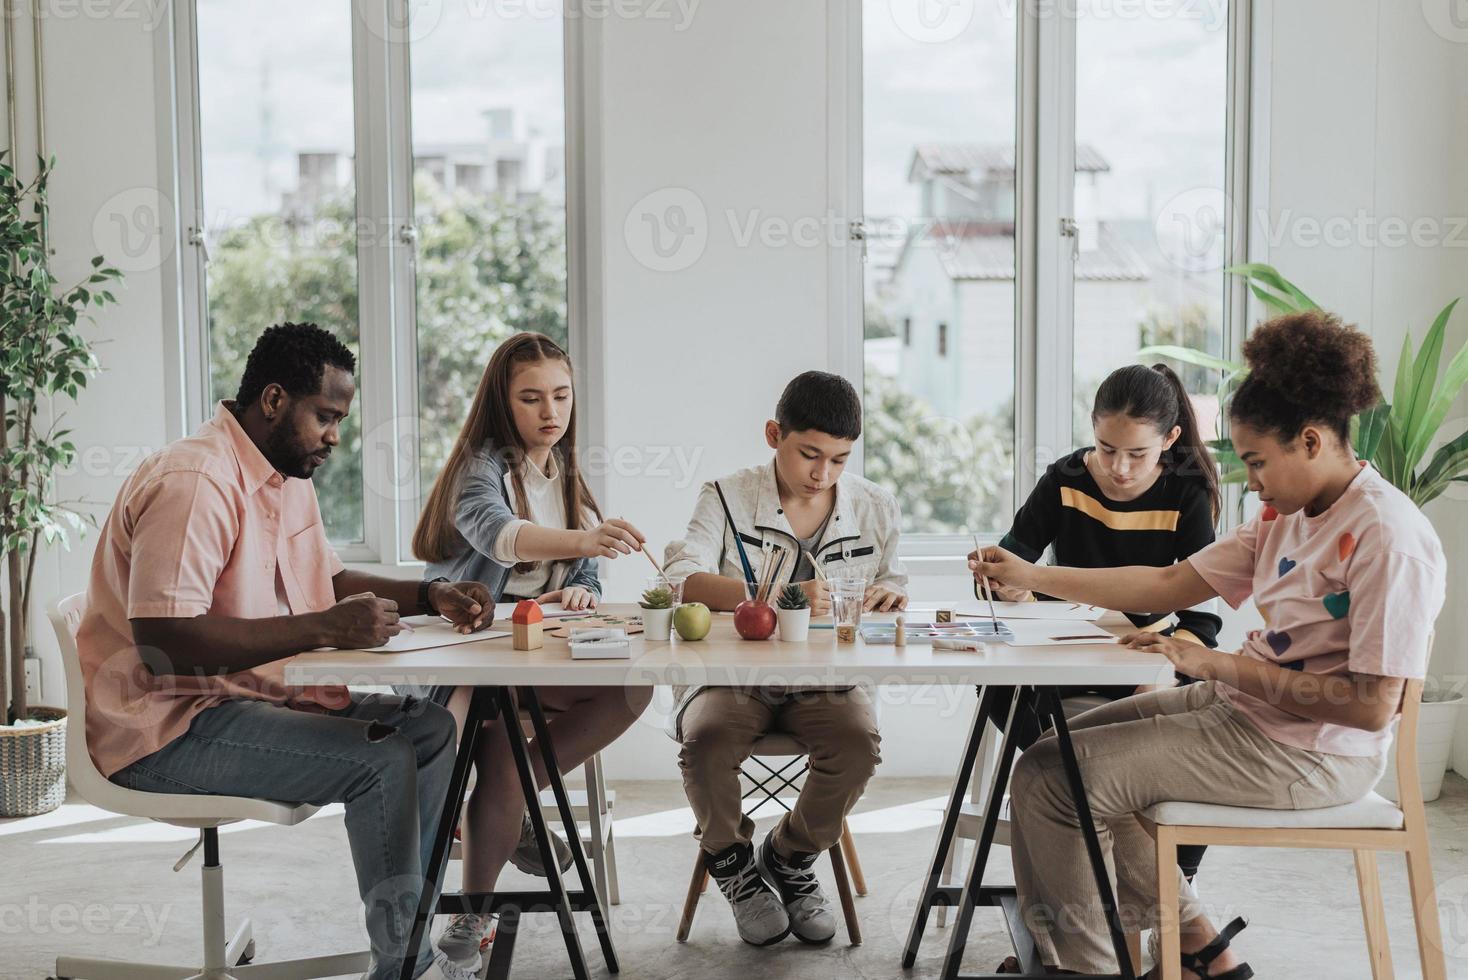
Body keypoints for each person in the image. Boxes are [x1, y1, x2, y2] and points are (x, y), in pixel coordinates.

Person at [971, 311, 1446, 978]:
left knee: (1054, 784)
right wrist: (1033, 572)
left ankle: (1086, 968)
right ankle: (1202, 948)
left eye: (1256, 461)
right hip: (1247, 718)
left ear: (1311, 441)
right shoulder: (1288, 515)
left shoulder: (1387, 536)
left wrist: (1213, 664)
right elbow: (1170, 581)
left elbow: (1371, 707)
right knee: (1055, 760)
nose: (1251, 482)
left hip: (1312, 755)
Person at [83, 322, 494, 980]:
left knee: (429, 727)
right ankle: (407, 967)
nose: (335, 436)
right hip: (163, 728)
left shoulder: (283, 471)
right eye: (325, 416)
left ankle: (404, 946)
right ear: (273, 401)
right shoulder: (197, 483)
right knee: (380, 757)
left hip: (238, 698)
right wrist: (325, 628)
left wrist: (431, 593)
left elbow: (325, 581)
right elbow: (165, 646)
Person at [407, 332, 653, 974]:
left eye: (562, 396)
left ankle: (508, 801)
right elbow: (499, 535)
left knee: (634, 687)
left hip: (534, 655)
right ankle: (465, 908)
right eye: (532, 398)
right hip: (474, 654)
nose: (551, 411)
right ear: (503, 403)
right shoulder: (481, 469)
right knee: (450, 747)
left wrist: (580, 583)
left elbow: (586, 576)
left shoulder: (566, 473)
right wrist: (583, 542)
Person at [662, 370, 905, 947]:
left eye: (840, 460)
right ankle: (733, 866)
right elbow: (680, 580)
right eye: (810, 455)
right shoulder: (724, 495)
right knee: (709, 741)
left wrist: (890, 597)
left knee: (856, 744)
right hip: (730, 679)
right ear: (775, 434)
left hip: (829, 682)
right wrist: (773, 597)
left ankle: (790, 856)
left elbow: (892, 585)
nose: (823, 475)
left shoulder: (876, 506)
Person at [989, 363, 1223, 882]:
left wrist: (1160, 670)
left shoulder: (1186, 494)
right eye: (1105, 447)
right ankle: (1077, 783)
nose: (1119, 467)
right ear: (1092, 426)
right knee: (996, 690)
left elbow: (1201, 619)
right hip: (1064, 650)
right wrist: (1003, 581)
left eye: (1137, 453)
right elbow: (1012, 563)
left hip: (1148, 655)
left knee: (1194, 730)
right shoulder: (1067, 477)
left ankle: (1176, 884)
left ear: (1171, 439)